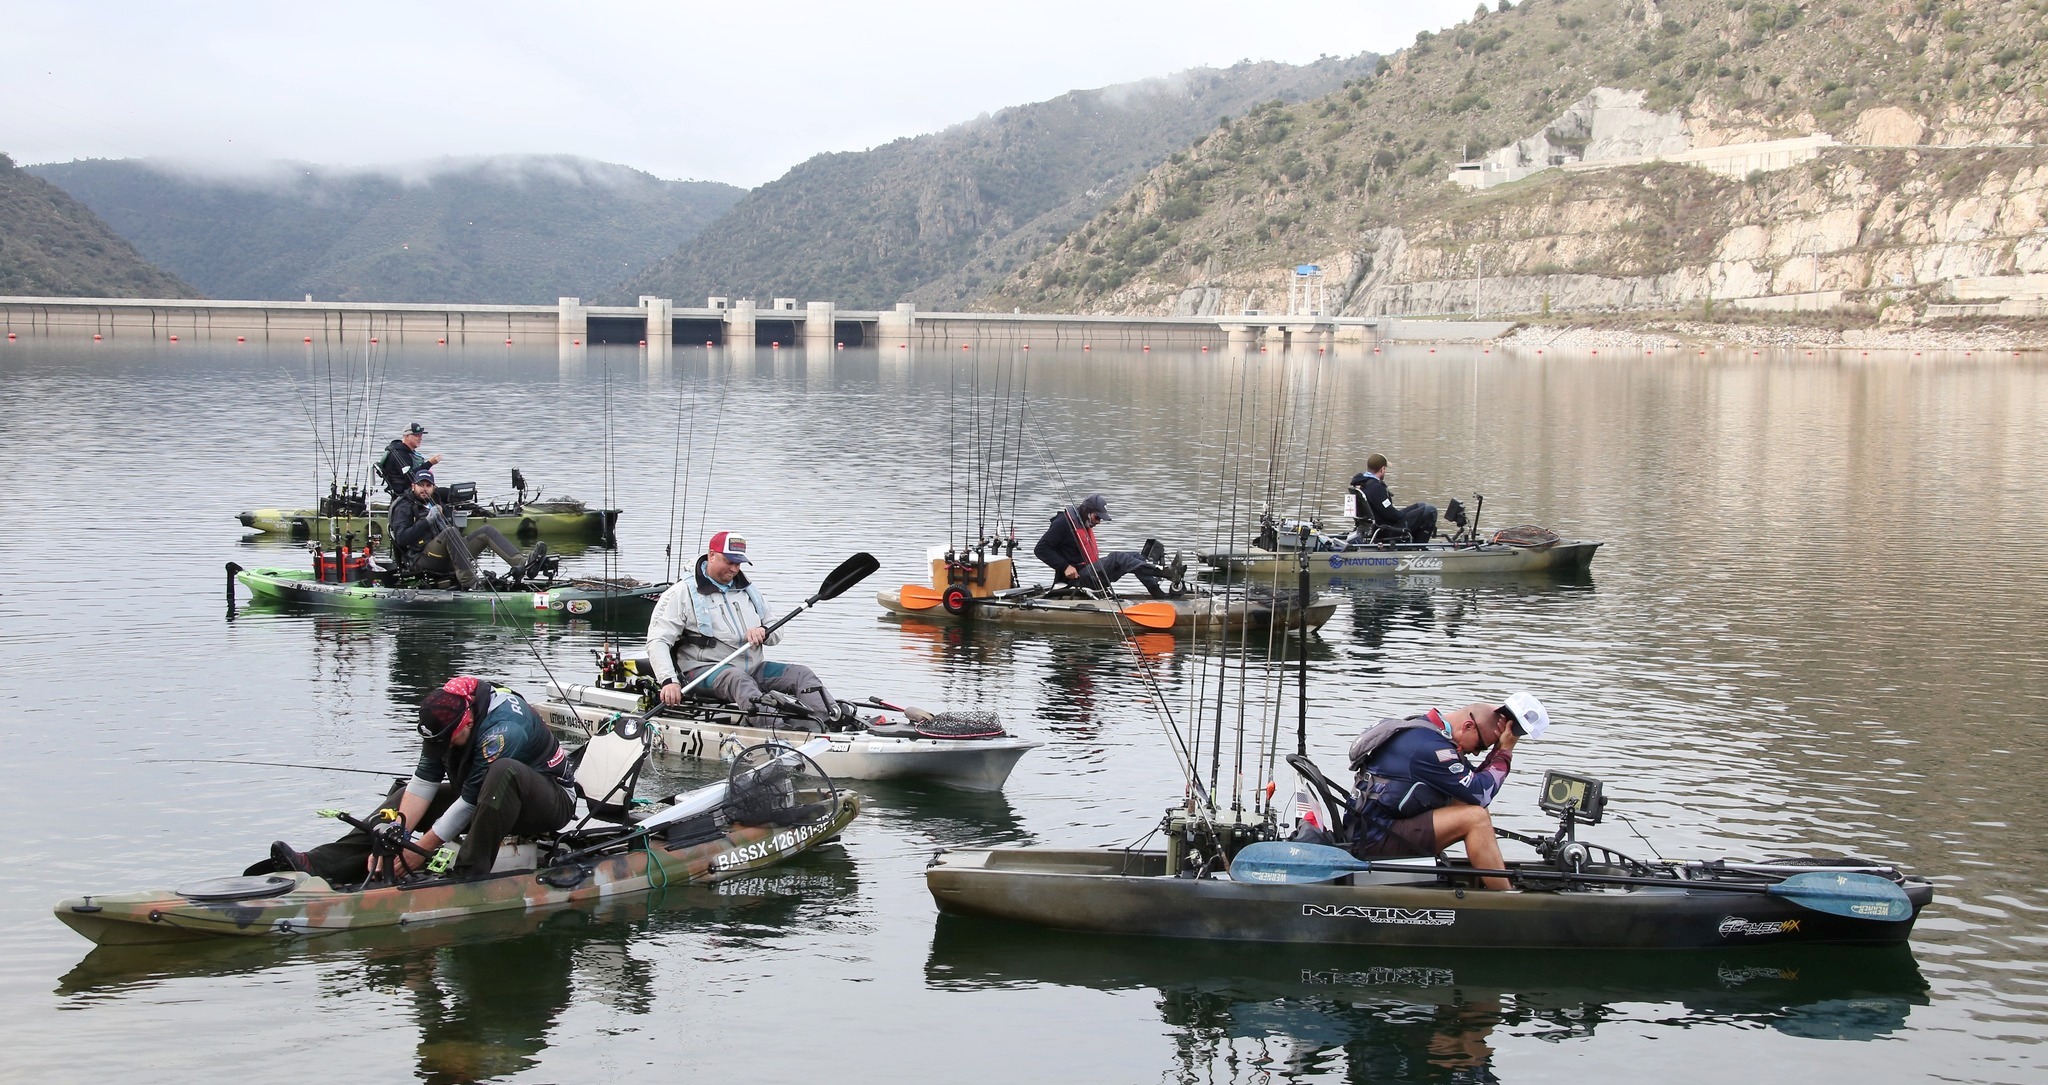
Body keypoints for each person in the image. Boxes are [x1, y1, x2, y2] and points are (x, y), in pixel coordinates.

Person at [256, 677, 577, 883]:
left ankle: (467, 876)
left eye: (449, 741)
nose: (444, 748)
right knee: (401, 801)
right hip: (488, 799)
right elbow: (423, 783)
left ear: (466, 724)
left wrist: (417, 849)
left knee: (502, 772)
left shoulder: (504, 729)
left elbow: (468, 803)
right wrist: (396, 835)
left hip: (548, 801)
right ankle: (319, 865)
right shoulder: (447, 710)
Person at [1344, 692, 1552, 890]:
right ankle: (1508, 899)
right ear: (1468, 726)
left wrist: (1497, 751)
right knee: (1475, 818)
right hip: (1373, 841)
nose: (1477, 752)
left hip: (1370, 828)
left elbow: (1471, 786)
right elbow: (1481, 793)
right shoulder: (1432, 749)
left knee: (1466, 805)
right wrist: (1504, 752)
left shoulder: (1423, 729)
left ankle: (1490, 877)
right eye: (1481, 745)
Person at [645, 531, 844, 730]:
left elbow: (776, 633)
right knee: (738, 680)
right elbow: (658, 641)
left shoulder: (748, 590)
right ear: (711, 555)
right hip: (704, 670)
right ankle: (778, 732)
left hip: (752, 668)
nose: (734, 569)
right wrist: (669, 681)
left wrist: (764, 631)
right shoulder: (680, 593)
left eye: (738, 563)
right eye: (729, 561)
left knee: (802, 674)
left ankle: (826, 724)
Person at [388, 469, 546, 587]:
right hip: (422, 558)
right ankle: (469, 583)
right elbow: (402, 539)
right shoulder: (404, 507)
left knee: (486, 531)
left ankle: (524, 564)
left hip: (448, 553)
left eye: (428, 485)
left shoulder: (435, 501)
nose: (424, 489)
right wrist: (427, 520)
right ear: (413, 486)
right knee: (450, 533)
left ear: (433, 487)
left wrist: (451, 515)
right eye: (420, 485)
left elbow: (453, 529)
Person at [1033, 494, 1168, 599]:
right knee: (1117, 558)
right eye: (1097, 518)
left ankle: (1157, 592)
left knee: (1134, 556)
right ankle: (1159, 571)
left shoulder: (1081, 523)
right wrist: (1065, 566)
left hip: (1090, 573)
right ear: (1087, 512)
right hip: (1075, 580)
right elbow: (1040, 549)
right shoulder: (1063, 523)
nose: (1098, 522)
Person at [1348, 454, 1437, 544]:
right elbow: (1391, 514)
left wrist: (1405, 514)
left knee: (1421, 505)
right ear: (1382, 469)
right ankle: (1419, 548)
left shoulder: (1363, 483)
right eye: (1385, 469)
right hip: (1385, 529)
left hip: (1376, 524)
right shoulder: (1375, 487)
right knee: (1430, 510)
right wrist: (1403, 515)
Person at [378, 422, 443, 498]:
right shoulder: (400, 454)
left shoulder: (407, 452)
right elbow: (410, 477)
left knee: (449, 492)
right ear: (407, 436)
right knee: (446, 493)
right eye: (416, 435)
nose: (420, 438)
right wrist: (429, 463)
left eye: (421, 435)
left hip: (414, 489)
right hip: (405, 493)